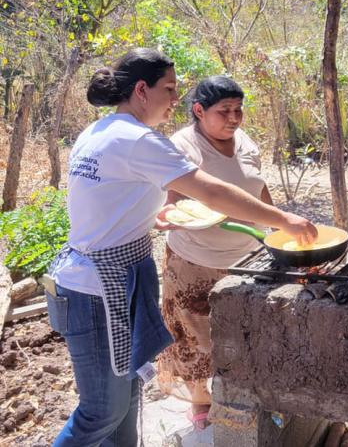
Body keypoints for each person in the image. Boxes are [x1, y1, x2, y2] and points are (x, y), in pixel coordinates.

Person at [46, 48, 317, 446]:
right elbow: (209, 190)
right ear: (142, 89)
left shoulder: (101, 130)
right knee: (101, 411)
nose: (176, 100)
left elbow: (114, 202)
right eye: (169, 89)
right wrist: (285, 220)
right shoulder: (138, 139)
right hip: (95, 289)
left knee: (126, 401)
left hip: (106, 279)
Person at [156, 76, 270, 431]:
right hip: (195, 261)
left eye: (238, 110)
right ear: (199, 111)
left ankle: (240, 394)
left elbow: (258, 190)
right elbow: (172, 203)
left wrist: (278, 227)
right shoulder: (183, 146)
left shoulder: (246, 142)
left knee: (241, 332)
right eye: (224, 111)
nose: (234, 117)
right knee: (194, 337)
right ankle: (200, 402)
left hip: (245, 259)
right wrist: (173, 216)